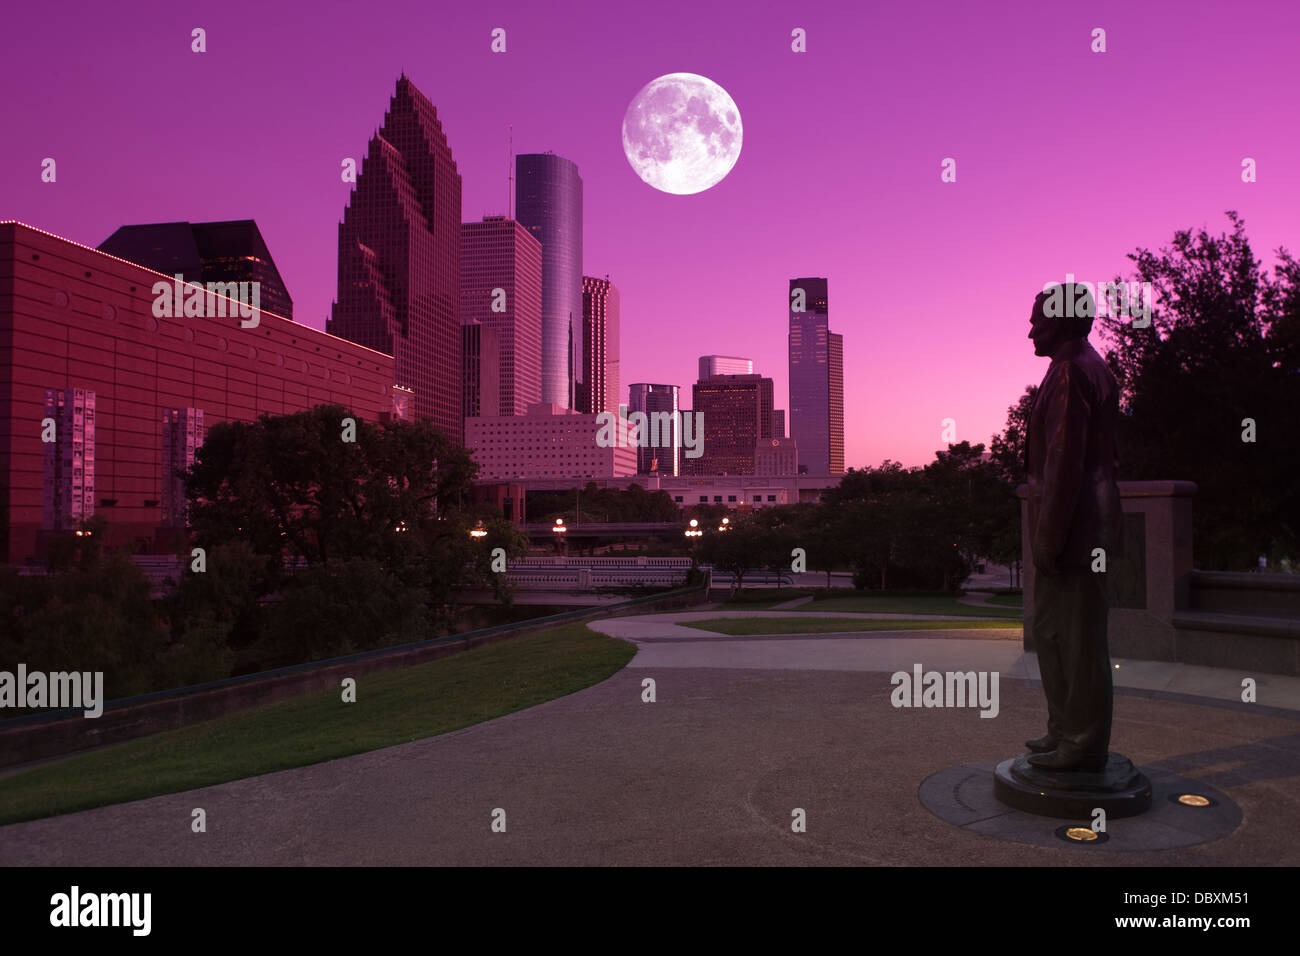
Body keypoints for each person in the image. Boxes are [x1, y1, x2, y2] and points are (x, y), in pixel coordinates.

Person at [1022, 283, 1123, 772]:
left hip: (1078, 527)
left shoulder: (1071, 372)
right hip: (1080, 524)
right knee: (1053, 632)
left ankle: (1082, 742)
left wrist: (1048, 533)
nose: (1029, 330)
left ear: (1061, 321)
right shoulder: (1081, 368)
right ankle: (1063, 728)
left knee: (1079, 640)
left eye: (1037, 319)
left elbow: (1065, 462)